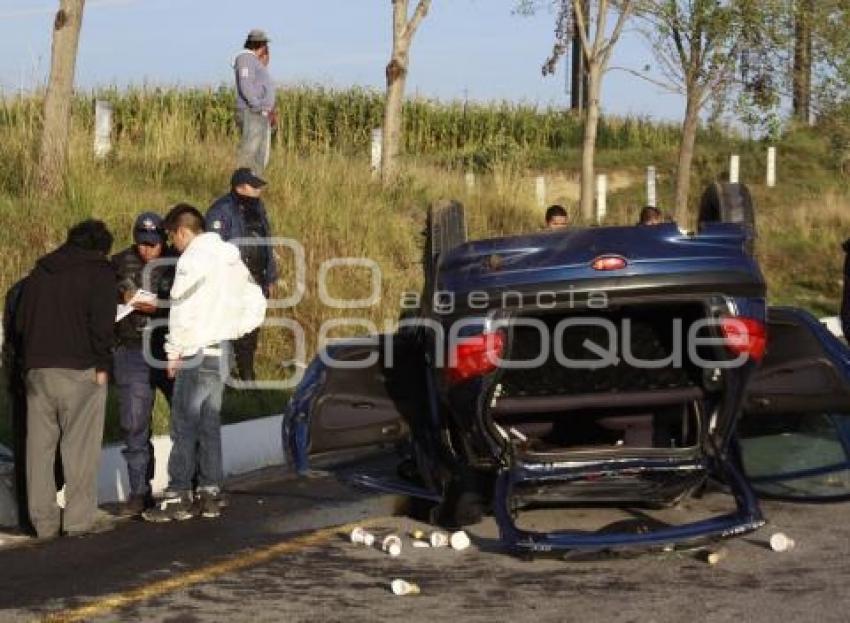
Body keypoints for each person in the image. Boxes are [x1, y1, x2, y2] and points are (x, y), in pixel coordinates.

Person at [143, 205, 266, 522]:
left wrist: (173, 351)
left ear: (183, 231)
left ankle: (179, 494)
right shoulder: (230, 256)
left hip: (194, 350)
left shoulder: (191, 260)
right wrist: (232, 329)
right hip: (220, 349)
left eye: (172, 236)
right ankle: (210, 492)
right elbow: (256, 300)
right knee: (209, 423)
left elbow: (182, 309)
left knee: (184, 423)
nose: (173, 243)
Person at [16, 220, 116, 538]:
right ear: (101, 248)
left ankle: (43, 522)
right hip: (80, 370)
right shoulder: (99, 272)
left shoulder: (39, 274)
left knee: (39, 449)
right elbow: (102, 325)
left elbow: (20, 323)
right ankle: (77, 520)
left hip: (37, 372)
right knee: (80, 450)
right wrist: (103, 365)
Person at [111, 212, 175, 516]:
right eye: (142, 244)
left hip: (170, 348)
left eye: (153, 244)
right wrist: (123, 295)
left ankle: (192, 484)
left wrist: (158, 305)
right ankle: (139, 492)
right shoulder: (119, 262)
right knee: (134, 422)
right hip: (132, 350)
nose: (147, 250)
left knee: (186, 418)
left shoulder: (178, 262)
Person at [206, 168, 277, 381]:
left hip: (256, 278)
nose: (259, 190)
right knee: (227, 328)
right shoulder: (221, 210)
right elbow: (213, 246)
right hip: (231, 279)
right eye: (254, 186)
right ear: (240, 187)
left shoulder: (259, 208)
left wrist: (271, 277)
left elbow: (267, 243)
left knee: (251, 327)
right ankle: (224, 377)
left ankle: (247, 375)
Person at [233, 29, 276, 174]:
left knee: (259, 155)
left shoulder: (252, 61)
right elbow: (245, 85)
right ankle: (242, 188)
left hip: (259, 113)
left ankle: (252, 186)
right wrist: (258, 106)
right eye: (264, 44)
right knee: (250, 154)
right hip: (253, 112)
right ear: (260, 45)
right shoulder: (245, 58)